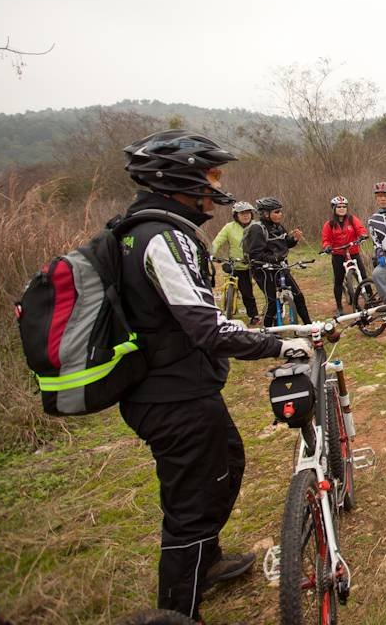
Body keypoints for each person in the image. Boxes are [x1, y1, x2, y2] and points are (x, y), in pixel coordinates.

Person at [118, 130, 311, 619]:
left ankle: (208, 560)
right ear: (178, 178)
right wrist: (275, 341)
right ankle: (178, 611)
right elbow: (206, 326)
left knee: (224, 463)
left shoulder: (146, 229)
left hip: (178, 385)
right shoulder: (161, 237)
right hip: (170, 394)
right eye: (210, 174)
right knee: (192, 503)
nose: (215, 185)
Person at [244, 197, 312, 327]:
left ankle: (309, 326)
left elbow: (285, 244)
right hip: (263, 271)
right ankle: (268, 332)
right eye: (276, 212)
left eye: (280, 211)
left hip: (280, 268)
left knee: (298, 297)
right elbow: (255, 254)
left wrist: (294, 240)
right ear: (265, 213)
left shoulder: (279, 227)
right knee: (273, 303)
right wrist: (273, 258)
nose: (280, 214)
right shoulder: (257, 229)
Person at [209, 200, 259, 324]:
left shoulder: (257, 226)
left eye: (248, 213)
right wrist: (210, 253)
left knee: (260, 289)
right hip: (237, 265)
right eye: (242, 213)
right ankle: (253, 315)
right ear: (236, 215)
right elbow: (217, 241)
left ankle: (266, 313)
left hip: (255, 264)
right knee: (246, 291)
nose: (246, 215)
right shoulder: (229, 227)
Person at [321, 195, 369, 317]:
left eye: (344, 206)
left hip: (353, 252)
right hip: (338, 254)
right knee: (338, 280)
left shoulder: (352, 219)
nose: (342, 209)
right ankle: (339, 307)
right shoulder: (329, 224)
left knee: (362, 276)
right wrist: (327, 246)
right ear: (334, 208)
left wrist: (363, 235)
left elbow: (360, 229)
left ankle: (371, 301)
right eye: (339, 207)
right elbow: (326, 239)